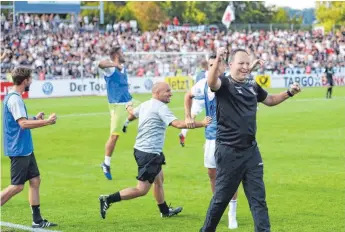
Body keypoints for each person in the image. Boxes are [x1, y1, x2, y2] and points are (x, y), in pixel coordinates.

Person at [200, 47, 301, 232]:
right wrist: (217, 58)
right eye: (241, 63)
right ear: (230, 65)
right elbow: (211, 81)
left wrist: (289, 93)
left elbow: (269, 100)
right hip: (228, 151)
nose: (245, 67)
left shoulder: (252, 85)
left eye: (247, 63)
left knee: (258, 199)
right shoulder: (224, 83)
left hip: (251, 152)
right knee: (221, 199)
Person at [98, 82, 211, 219]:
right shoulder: (160, 107)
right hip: (149, 153)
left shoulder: (146, 104)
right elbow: (178, 124)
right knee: (141, 189)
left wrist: (129, 108)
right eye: (167, 91)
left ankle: (164, 211)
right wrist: (202, 123)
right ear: (157, 93)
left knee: (159, 180)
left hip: (145, 150)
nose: (171, 93)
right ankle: (108, 199)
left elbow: (133, 113)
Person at [185, 55, 264, 230]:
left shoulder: (228, 81)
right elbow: (188, 96)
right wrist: (187, 118)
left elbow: (240, 73)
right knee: (214, 177)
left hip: (232, 141)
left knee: (234, 184)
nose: (214, 67)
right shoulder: (205, 83)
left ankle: (232, 214)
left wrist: (252, 66)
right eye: (211, 65)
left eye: (217, 64)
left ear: (223, 65)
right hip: (212, 137)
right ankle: (217, 214)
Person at [1, 66, 58, 228]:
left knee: (35, 180)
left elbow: (21, 120)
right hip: (18, 148)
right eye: (30, 79)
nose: (31, 82)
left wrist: (35, 118)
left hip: (25, 147)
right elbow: (23, 124)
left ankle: (37, 220)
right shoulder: (15, 99)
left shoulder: (13, 96)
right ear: (24, 81)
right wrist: (46, 122)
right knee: (17, 186)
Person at [98, 46, 133, 180]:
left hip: (128, 101)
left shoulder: (123, 68)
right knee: (114, 137)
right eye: (121, 53)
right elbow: (100, 64)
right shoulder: (111, 68)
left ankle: (127, 121)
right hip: (117, 105)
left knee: (147, 109)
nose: (124, 54)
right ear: (116, 54)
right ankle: (106, 163)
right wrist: (115, 64)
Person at [178, 59, 208, 147]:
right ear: (206, 66)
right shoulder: (208, 74)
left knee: (191, 118)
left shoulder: (198, 74)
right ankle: (208, 141)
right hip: (206, 98)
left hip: (197, 99)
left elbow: (192, 79)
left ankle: (183, 133)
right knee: (211, 119)